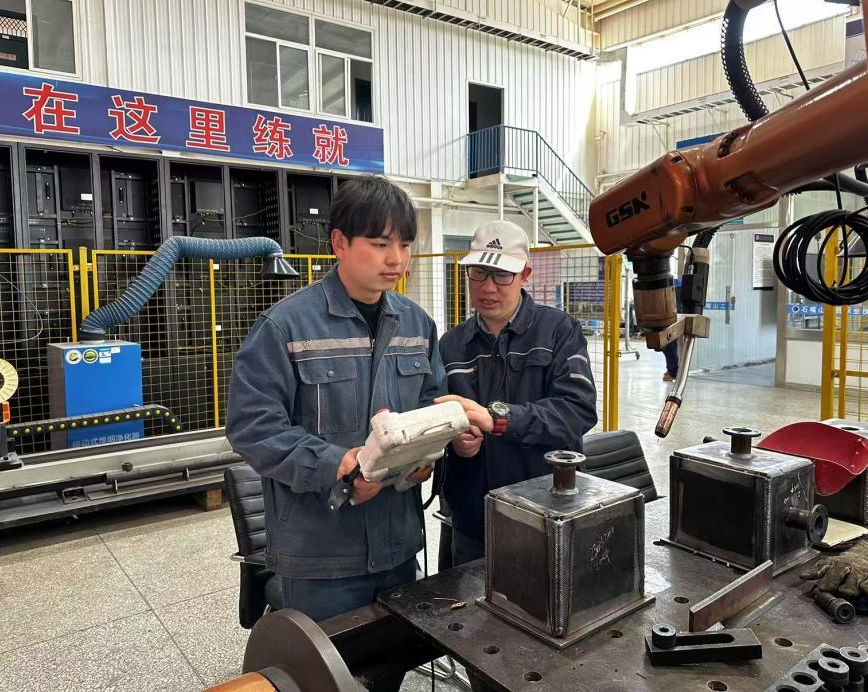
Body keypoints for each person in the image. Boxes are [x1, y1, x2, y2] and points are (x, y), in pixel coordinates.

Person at [226, 176, 445, 628]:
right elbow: (253, 427)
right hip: (321, 554)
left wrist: (424, 455)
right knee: (328, 662)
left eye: (405, 245)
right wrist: (337, 465)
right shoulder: (285, 327)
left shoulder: (417, 324)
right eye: (380, 244)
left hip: (399, 543)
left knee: (392, 655)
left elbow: (430, 402)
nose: (396, 259)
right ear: (340, 243)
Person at [434, 220, 598, 565]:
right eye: (479, 272)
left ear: (525, 275)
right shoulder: (450, 345)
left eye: (502, 275)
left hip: (544, 513)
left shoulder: (559, 332)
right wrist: (454, 441)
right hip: (473, 520)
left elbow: (578, 410)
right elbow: (437, 419)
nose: (488, 287)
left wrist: (500, 419)